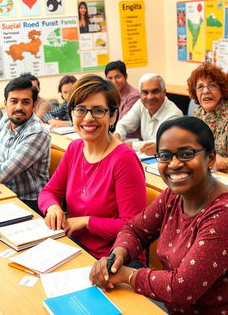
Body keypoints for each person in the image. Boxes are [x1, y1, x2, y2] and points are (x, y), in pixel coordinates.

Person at [90, 116, 228, 315]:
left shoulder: (222, 214)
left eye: (186, 154)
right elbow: (135, 229)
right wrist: (117, 256)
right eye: (165, 156)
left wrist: (127, 276)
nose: (174, 164)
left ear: (211, 158)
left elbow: (182, 288)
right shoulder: (173, 195)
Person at [38, 74, 146, 259]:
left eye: (98, 111)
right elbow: (48, 192)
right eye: (80, 110)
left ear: (112, 116)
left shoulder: (124, 159)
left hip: (113, 259)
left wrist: (86, 222)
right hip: (75, 249)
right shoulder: (75, 148)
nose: (88, 118)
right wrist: (53, 208)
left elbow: (132, 226)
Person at [0, 77, 51, 214]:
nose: (19, 107)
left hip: (28, 202)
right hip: (4, 191)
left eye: (25, 102)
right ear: (5, 103)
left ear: (34, 105)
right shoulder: (5, 120)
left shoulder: (37, 133)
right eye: (14, 101)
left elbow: (2, 173)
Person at [114, 73, 183, 155]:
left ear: (164, 92)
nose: (150, 97)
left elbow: (160, 143)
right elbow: (123, 124)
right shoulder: (140, 104)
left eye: (155, 91)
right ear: (140, 94)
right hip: (147, 158)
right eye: (145, 92)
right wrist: (117, 135)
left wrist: (128, 145)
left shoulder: (174, 115)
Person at [187, 63, 228, 172]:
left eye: (212, 85)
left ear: (222, 89)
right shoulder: (197, 115)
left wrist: (223, 162)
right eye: (200, 87)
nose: (205, 91)